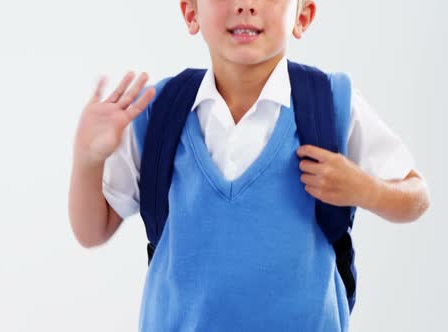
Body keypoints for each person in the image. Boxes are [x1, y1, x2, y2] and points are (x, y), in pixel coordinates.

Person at [68, 0, 430, 330]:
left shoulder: (331, 103)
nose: (245, 5)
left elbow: (416, 195)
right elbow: (92, 230)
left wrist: (365, 190)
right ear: (190, 12)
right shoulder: (159, 110)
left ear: (303, 15)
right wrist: (88, 160)